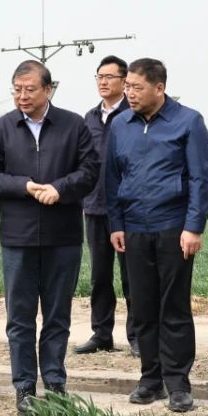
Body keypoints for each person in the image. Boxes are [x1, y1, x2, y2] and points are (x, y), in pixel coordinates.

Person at [0, 60, 99, 415]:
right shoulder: (2, 128)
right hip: (18, 238)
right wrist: (25, 186)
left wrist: (60, 189)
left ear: (48, 89)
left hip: (63, 237)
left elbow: (90, 171)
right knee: (20, 318)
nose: (22, 96)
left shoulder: (73, 125)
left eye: (30, 89)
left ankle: (55, 382)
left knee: (57, 315)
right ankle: (25, 387)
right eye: (17, 89)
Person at [105, 57, 208, 412]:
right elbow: (112, 179)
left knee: (174, 307)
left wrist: (193, 226)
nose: (129, 93)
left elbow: (200, 178)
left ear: (160, 88)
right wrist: (116, 223)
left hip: (173, 228)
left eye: (136, 87)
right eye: (127, 87)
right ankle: (150, 378)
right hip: (134, 229)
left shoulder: (188, 121)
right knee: (142, 307)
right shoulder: (120, 125)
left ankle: (178, 382)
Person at [75, 55, 137, 357]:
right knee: (99, 276)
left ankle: (137, 335)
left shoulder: (134, 115)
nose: (103, 81)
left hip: (127, 209)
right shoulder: (89, 118)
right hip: (95, 207)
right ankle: (101, 333)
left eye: (109, 77)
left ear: (124, 81)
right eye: (99, 76)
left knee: (132, 275)